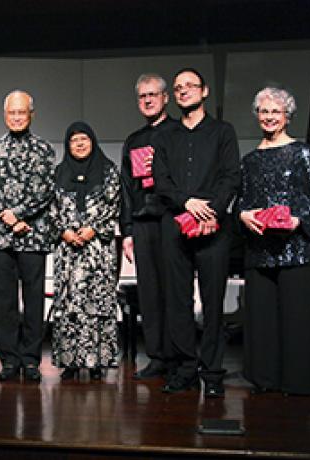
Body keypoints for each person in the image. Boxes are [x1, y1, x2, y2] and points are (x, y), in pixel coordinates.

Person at [153, 68, 240, 396]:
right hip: (175, 224)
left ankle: (213, 373)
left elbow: (231, 176)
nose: (183, 91)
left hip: (213, 225)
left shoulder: (222, 131)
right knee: (177, 301)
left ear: (204, 91)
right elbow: (161, 181)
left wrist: (211, 209)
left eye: (190, 86)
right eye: (178, 88)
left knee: (213, 301)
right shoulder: (164, 135)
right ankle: (185, 369)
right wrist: (187, 202)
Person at [237, 88, 310, 396]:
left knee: (296, 319)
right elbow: (242, 200)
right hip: (259, 248)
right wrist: (243, 215)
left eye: (275, 112)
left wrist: (298, 220)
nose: (269, 117)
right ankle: (264, 379)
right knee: (261, 319)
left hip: (297, 248)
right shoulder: (249, 160)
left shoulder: (304, 152)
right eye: (264, 111)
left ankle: (296, 383)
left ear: (287, 116)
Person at [0, 90, 56, 382]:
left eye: (21, 112)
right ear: (4, 115)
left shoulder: (44, 149)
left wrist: (20, 215)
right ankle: (9, 360)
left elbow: (47, 189)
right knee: (5, 302)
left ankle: (31, 361)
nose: (16, 117)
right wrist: (8, 217)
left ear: (31, 115)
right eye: (12, 112)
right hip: (0, 237)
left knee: (34, 301)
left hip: (33, 235)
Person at [51, 121, 121, 381]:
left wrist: (94, 228)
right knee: (69, 304)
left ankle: (97, 362)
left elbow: (113, 204)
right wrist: (64, 231)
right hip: (67, 251)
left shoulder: (108, 171)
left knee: (97, 304)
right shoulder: (57, 173)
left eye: (84, 139)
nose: (79, 144)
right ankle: (70, 362)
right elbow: (51, 209)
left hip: (97, 250)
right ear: (67, 145)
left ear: (93, 142)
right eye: (74, 140)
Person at [120, 73, 179, 380]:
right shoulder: (134, 140)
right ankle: (156, 356)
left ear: (165, 98)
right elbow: (127, 189)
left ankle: (178, 356)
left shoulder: (179, 132)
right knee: (150, 293)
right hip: (143, 223)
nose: (148, 100)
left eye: (153, 95)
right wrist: (127, 231)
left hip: (172, 220)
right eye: (142, 96)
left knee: (175, 290)